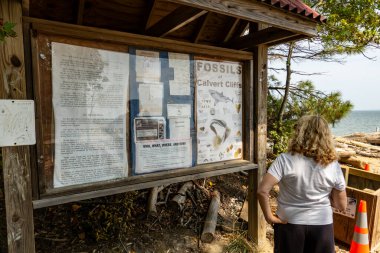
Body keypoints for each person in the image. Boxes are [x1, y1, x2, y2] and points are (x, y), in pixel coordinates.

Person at [257, 115, 347, 253]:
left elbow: (262, 191)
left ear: (299, 133)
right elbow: (341, 205)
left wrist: (269, 217)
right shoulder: (333, 165)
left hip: (289, 224)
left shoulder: (284, 160)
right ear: (326, 136)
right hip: (322, 226)